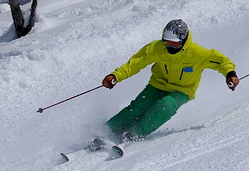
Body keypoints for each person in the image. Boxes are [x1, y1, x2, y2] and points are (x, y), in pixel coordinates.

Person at [102, 19, 239, 143]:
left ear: (184, 41)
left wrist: (230, 74)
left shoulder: (198, 54)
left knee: (165, 106)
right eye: (167, 42)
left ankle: (135, 133)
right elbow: (135, 64)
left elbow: (222, 61)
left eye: (174, 44)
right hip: (157, 85)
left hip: (182, 90)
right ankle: (107, 131)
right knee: (137, 108)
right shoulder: (157, 48)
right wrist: (115, 76)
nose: (170, 47)